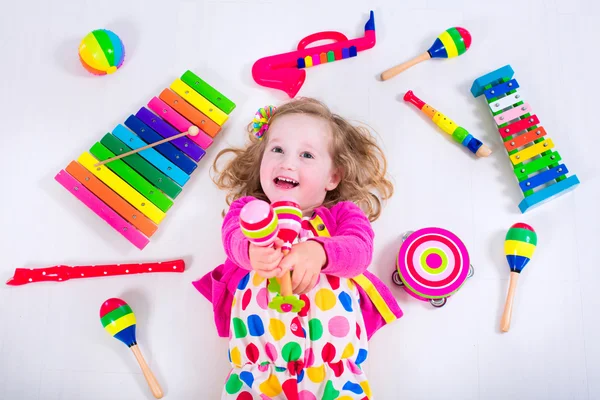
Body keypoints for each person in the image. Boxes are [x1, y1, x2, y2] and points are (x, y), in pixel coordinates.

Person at [193, 98, 403, 399]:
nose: (288, 162)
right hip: (257, 374)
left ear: (333, 176)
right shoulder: (250, 210)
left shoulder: (341, 215)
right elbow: (232, 238)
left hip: (333, 375)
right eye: (277, 149)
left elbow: (360, 250)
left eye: (307, 155)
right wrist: (251, 253)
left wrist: (319, 251)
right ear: (261, 159)